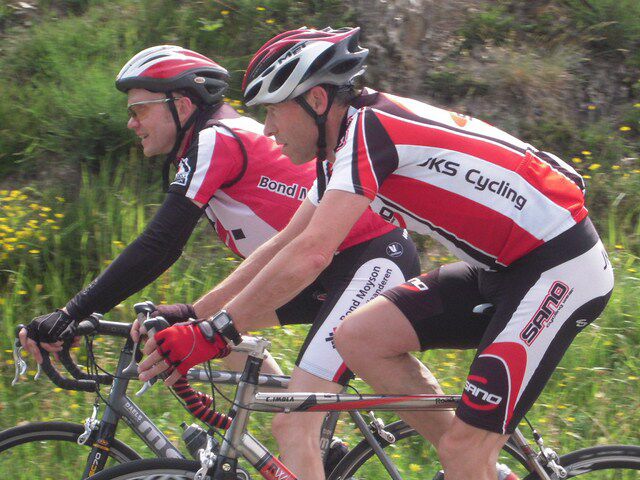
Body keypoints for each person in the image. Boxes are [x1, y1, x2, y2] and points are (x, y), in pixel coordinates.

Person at [138, 27, 614, 480]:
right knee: (359, 337)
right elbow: (285, 243)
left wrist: (217, 332)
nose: (268, 128)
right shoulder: (347, 145)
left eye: (275, 111)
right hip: (498, 269)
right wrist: (197, 316)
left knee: (465, 447)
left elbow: (312, 254)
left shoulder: (373, 131)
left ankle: (471, 459)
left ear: (316, 101)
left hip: (558, 268)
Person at [19, 44, 420, 473]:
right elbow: (263, 261)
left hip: (368, 263)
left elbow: (160, 244)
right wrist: (189, 313)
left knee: (292, 422)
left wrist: (73, 311)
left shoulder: (218, 138)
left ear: (182, 105)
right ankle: (325, 449)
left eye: (139, 109)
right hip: (317, 273)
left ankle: (448, 450)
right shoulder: (214, 142)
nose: (131, 122)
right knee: (213, 335)